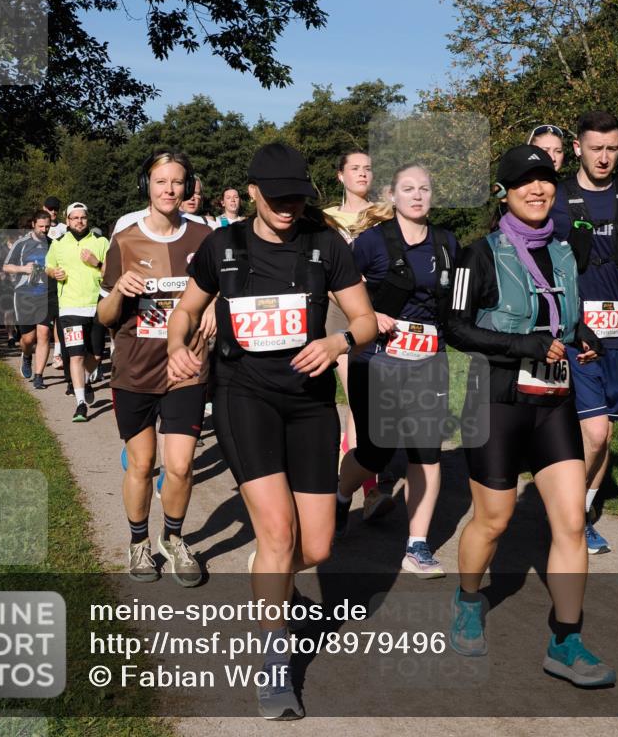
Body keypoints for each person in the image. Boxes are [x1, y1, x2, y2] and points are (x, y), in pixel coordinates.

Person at [168, 142, 377, 720]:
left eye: (298, 198)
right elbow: (187, 310)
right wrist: (177, 344)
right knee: (279, 533)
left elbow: (364, 320)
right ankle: (274, 661)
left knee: (317, 546)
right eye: (278, 197)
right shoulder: (223, 246)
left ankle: (272, 577)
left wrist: (337, 342)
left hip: (310, 404)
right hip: (244, 396)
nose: (289, 207)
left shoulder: (325, 245)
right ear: (253, 192)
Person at [445, 144, 614, 687]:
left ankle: (565, 640)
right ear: (504, 193)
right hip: (495, 403)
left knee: (570, 523)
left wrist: (582, 336)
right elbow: (456, 328)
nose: (537, 190)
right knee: (493, 521)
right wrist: (524, 345)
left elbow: (564, 318)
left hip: (553, 403)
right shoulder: (477, 254)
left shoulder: (564, 252)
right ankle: (468, 598)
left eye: (545, 181)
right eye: (524, 182)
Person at [335, 163, 459, 577]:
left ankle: (417, 546)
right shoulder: (371, 241)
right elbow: (339, 288)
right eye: (408, 189)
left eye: (424, 188)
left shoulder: (447, 243)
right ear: (392, 195)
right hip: (377, 359)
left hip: (428, 359)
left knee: (426, 451)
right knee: (376, 450)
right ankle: (340, 496)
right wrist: (369, 314)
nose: (417, 196)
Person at [98, 149, 213, 586]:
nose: (169, 189)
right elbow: (104, 317)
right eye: (160, 181)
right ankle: (138, 543)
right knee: (142, 464)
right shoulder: (125, 240)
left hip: (187, 365)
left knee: (180, 466)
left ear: (188, 187)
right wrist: (118, 292)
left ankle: (174, 539)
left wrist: (214, 307)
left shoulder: (204, 237)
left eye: (177, 181)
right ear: (146, 185)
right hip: (135, 369)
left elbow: (222, 289)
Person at [550, 111, 618, 554]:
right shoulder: (555, 199)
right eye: (595, 148)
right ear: (577, 148)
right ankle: (569, 518)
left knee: (605, 434)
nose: (604, 157)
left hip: (616, 329)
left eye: (612, 149)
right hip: (572, 329)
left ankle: (581, 512)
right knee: (593, 432)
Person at [323, 151, 388, 520]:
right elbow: (326, 275)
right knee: (360, 399)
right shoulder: (326, 220)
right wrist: (353, 303)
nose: (363, 173)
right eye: (355, 168)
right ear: (340, 175)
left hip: (383, 317)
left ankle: (345, 488)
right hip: (341, 316)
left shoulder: (386, 214)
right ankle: (369, 491)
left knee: (359, 406)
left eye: (368, 168)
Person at [45, 203, 109, 421]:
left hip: (97, 305)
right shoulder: (58, 243)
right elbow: (48, 266)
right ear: (68, 220)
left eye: (83, 217)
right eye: (75, 218)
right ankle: (80, 403)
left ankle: (86, 380)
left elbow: (112, 272)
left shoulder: (101, 242)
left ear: (87, 219)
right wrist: (54, 273)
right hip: (70, 308)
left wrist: (96, 262)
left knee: (97, 355)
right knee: (76, 355)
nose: (79, 221)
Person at [3, 211, 55, 387]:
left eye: (47, 226)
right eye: (41, 226)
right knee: (28, 339)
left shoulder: (52, 244)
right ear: (33, 224)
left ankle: (39, 376)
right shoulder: (22, 243)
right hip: (24, 295)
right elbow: (6, 266)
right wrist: (23, 269)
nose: (44, 230)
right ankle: (26, 356)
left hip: (45, 295)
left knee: (44, 334)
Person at [43, 196, 67, 368]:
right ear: (44, 208)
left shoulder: (64, 228)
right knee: (41, 327)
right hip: (41, 279)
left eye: (56, 209)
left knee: (59, 317)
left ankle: (57, 353)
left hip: (58, 278)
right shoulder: (38, 227)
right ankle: (27, 350)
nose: (53, 212)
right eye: (50, 208)